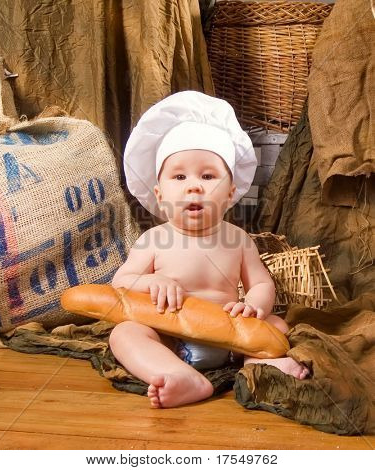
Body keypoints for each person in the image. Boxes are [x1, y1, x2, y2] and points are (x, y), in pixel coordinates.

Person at [110, 91, 309, 409]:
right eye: (179, 176)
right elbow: (122, 280)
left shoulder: (238, 239)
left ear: (230, 193)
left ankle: (259, 365)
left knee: (276, 326)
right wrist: (152, 282)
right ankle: (177, 374)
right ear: (160, 195)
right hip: (171, 336)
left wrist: (255, 306)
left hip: (231, 336)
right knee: (125, 333)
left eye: (207, 176)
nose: (194, 186)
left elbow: (260, 283)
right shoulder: (153, 240)